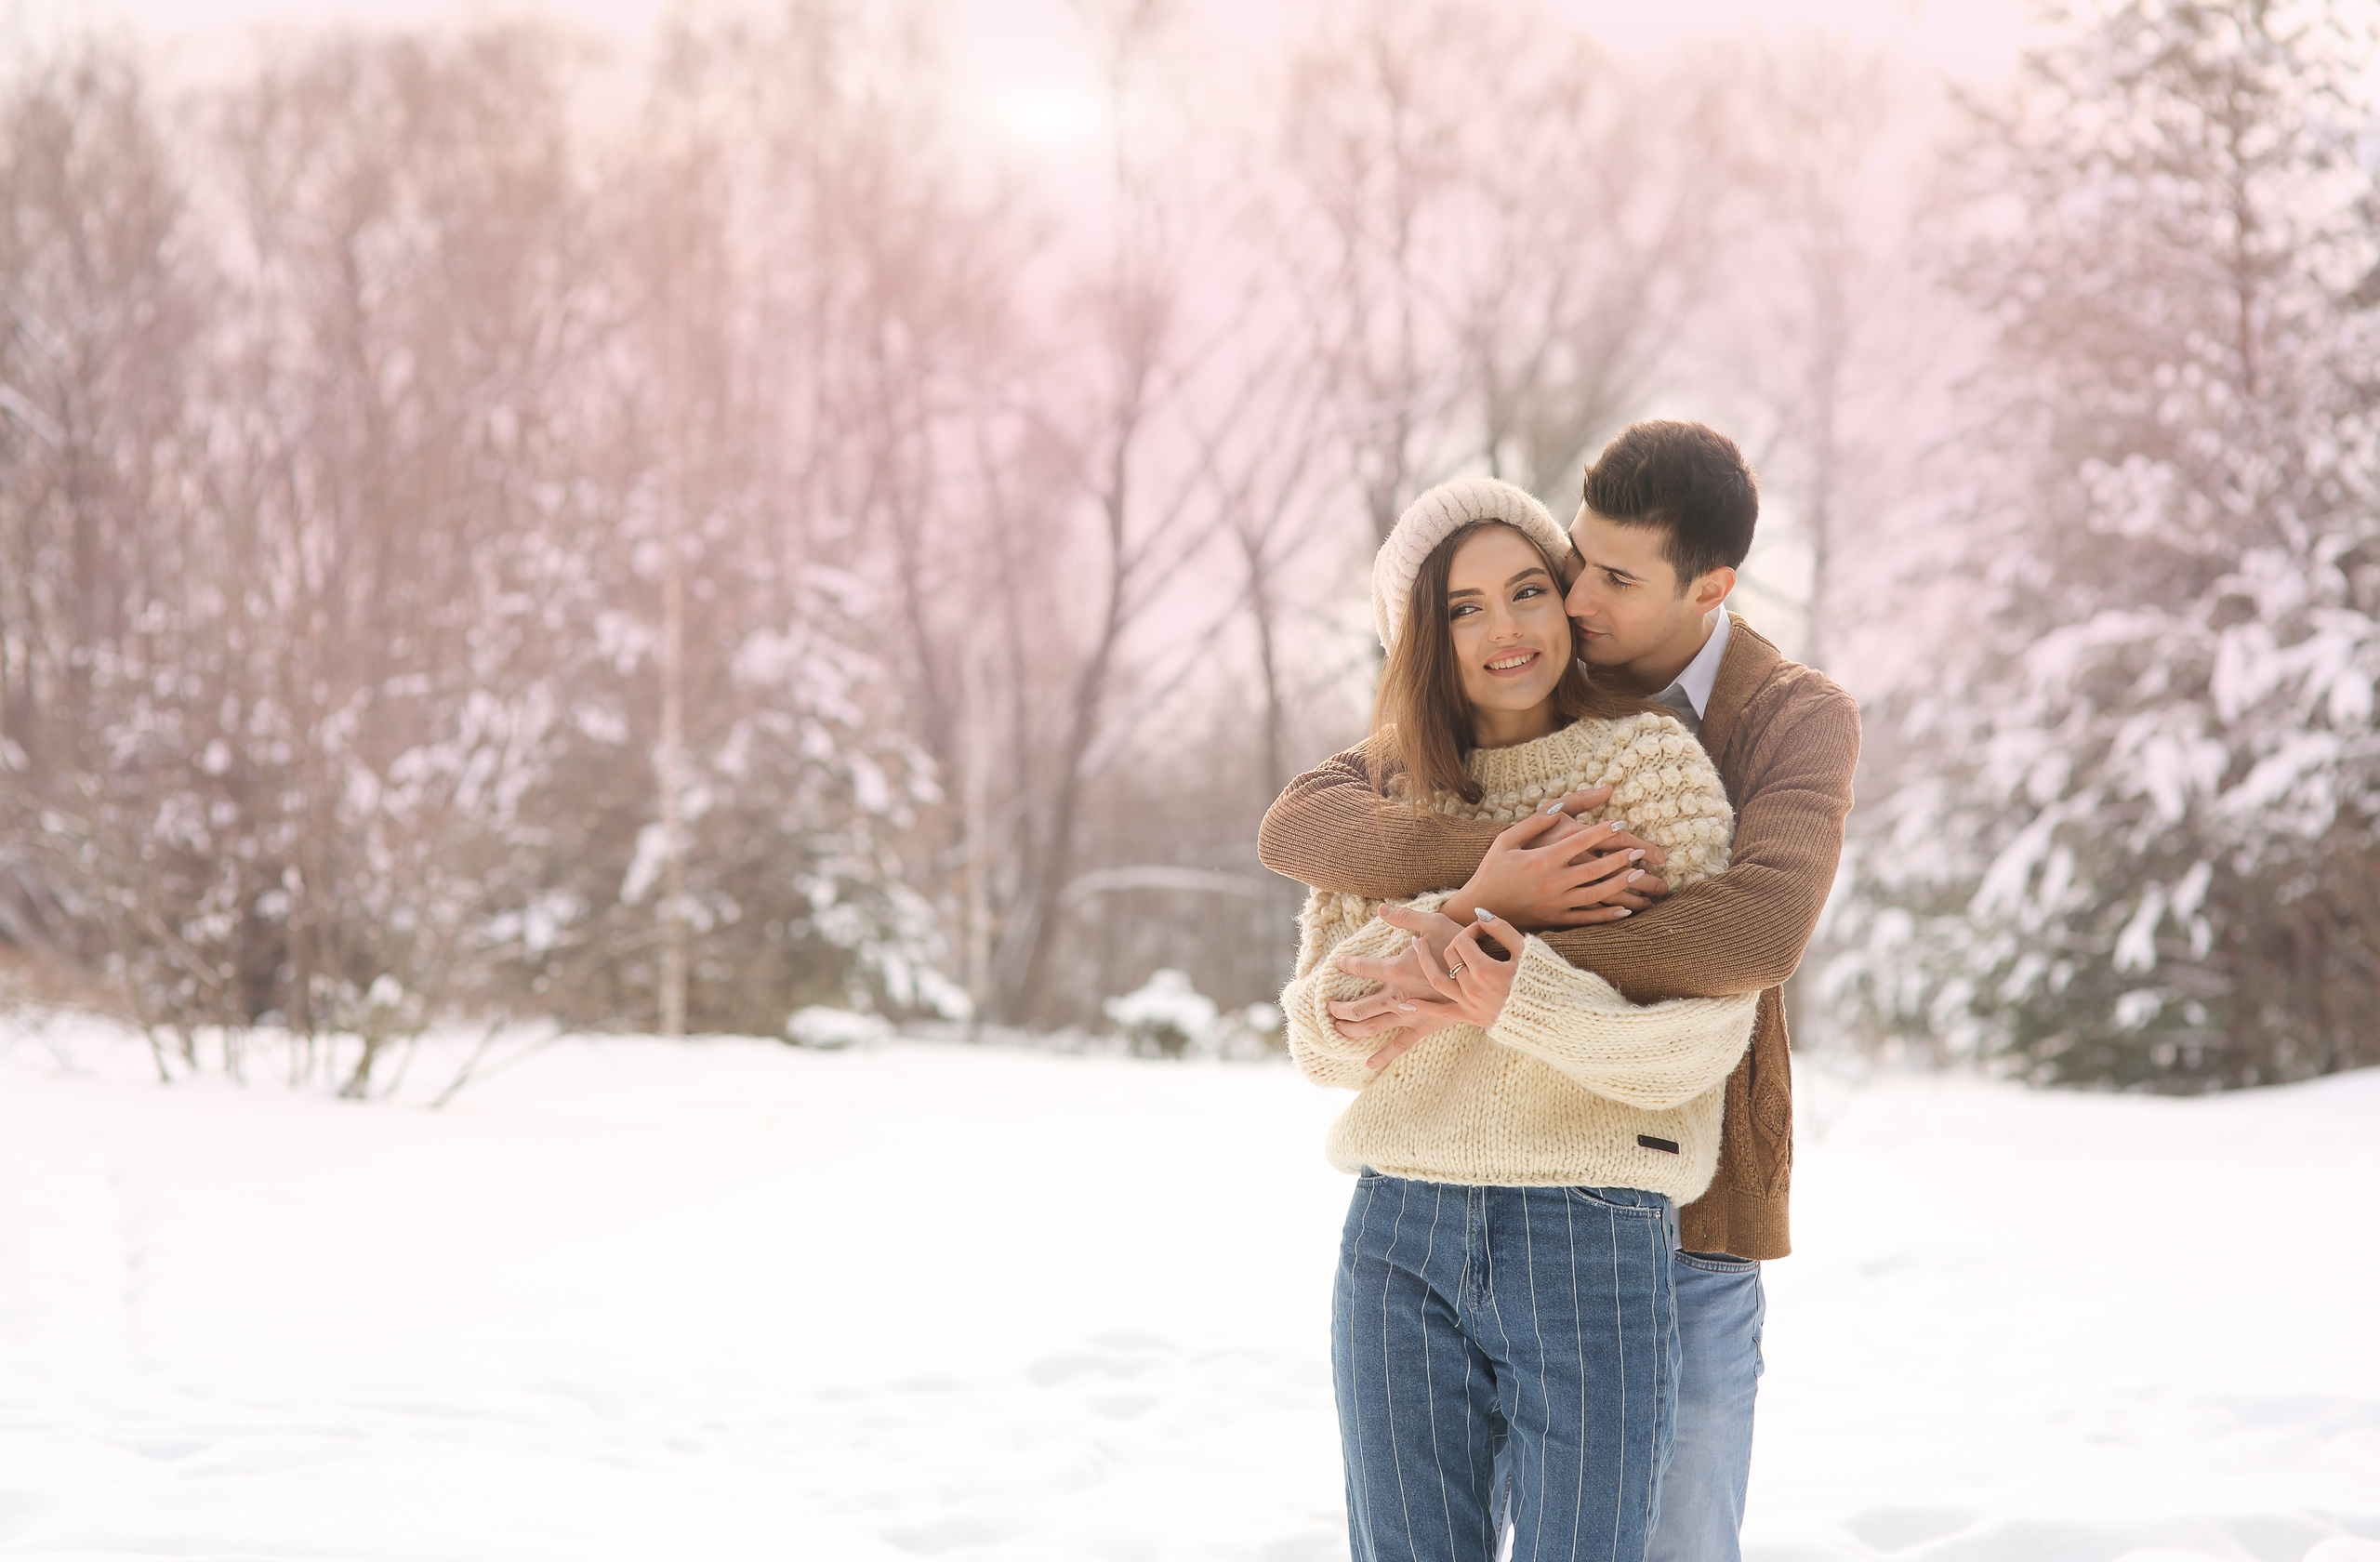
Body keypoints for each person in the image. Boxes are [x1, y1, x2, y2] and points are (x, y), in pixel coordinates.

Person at [1260, 421, 1861, 1562]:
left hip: (1658, 1215)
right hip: (1409, 1217)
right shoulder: (1407, 767)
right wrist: (1487, 891)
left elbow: (1753, 942)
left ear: (1708, 587)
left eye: (1593, 581)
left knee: (1672, 1541)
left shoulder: (1743, 730)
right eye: (1570, 563)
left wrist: (1498, 970)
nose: (1569, 605)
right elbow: (1299, 851)